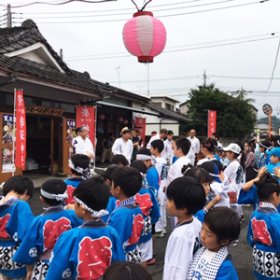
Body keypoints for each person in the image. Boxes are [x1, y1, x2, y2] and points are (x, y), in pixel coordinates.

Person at [46, 177, 125, 280]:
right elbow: (119, 265)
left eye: (75, 203)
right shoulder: (112, 232)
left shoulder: (70, 236)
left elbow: (56, 271)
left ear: (82, 208)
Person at [13, 179, 82, 280]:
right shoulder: (74, 216)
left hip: (45, 267)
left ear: (42, 199)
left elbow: (30, 247)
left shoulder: (39, 221)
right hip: (69, 264)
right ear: (65, 197)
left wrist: (30, 270)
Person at [163, 176, 206, 280]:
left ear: (182, 208)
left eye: (169, 200)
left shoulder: (180, 235)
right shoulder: (197, 224)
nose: (166, 203)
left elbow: (176, 269)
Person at [187, 207, 240, 279]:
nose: (202, 236)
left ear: (224, 241)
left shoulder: (225, 268)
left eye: (208, 234)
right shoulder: (200, 250)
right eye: (202, 228)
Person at [107, 167, 144, 263]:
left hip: (123, 257)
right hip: (134, 252)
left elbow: (116, 241)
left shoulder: (121, 213)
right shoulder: (135, 206)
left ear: (118, 189)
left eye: (112, 184)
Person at [0, 176, 34, 280]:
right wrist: (30, 267)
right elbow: (28, 235)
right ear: (26, 192)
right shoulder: (21, 205)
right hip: (15, 255)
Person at [247, 173, 280, 279]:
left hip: (258, 257)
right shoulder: (276, 219)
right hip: (274, 262)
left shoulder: (255, 214)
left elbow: (250, 238)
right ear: (275, 195)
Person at [130, 160, 160, 266]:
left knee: (132, 256)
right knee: (144, 258)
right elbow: (155, 212)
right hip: (146, 227)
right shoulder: (149, 191)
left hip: (132, 229)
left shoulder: (128, 192)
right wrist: (153, 223)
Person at [150, 139, 168, 237]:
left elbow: (162, 175)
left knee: (159, 206)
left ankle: (159, 228)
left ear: (156, 149)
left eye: (151, 147)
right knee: (161, 206)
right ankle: (162, 227)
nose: (150, 149)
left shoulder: (157, 161)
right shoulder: (162, 160)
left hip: (159, 186)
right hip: (161, 185)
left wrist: (163, 186)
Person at [222, 143, 244, 218]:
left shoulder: (233, 164)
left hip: (232, 191)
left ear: (232, 153)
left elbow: (223, 177)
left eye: (228, 152)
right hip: (237, 190)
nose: (226, 153)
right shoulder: (238, 163)